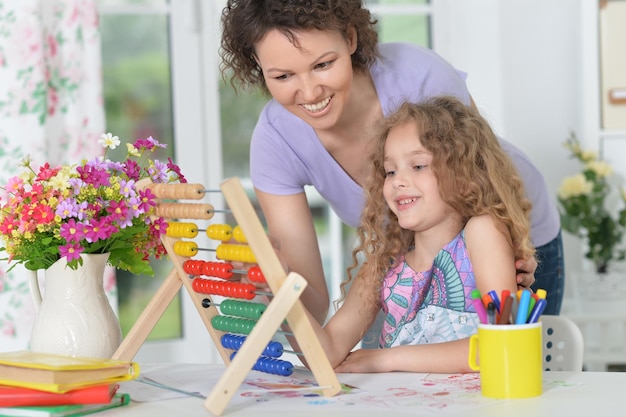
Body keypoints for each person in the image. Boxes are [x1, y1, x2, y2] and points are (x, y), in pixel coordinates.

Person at [219, 0, 563, 325]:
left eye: (323, 65)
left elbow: (482, 195)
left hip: (512, 233)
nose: (309, 93)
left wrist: (511, 249)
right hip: (409, 261)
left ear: (350, 38)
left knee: (513, 371)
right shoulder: (275, 141)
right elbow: (310, 300)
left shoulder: (418, 77)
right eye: (282, 77)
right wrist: (270, 284)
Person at [306, 96, 535, 373]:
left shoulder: (481, 233)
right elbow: (326, 351)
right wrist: (274, 289)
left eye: (418, 166)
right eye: (390, 171)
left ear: (464, 172)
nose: (398, 181)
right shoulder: (383, 265)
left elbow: (501, 345)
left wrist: (386, 359)